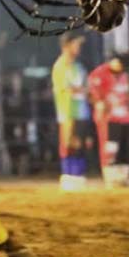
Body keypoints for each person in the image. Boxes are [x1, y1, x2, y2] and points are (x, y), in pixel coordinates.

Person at [88, 53, 129, 187]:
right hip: (108, 117)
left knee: (125, 146)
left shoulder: (125, 76)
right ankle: (110, 177)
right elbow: (92, 94)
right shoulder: (99, 73)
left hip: (124, 116)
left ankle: (123, 177)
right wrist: (100, 104)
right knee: (110, 147)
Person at [51, 33, 91, 190]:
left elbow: (86, 88)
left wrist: (80, 90)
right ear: (66, 46)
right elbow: (66, 89)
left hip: (82, 111)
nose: (78, 48)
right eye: (75, 44)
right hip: (67, 112)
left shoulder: (79, 67)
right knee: (69, 144)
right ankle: (69, 175)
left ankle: (78, 175)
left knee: (80, 145)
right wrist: (79, 90)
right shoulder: (60, 66)